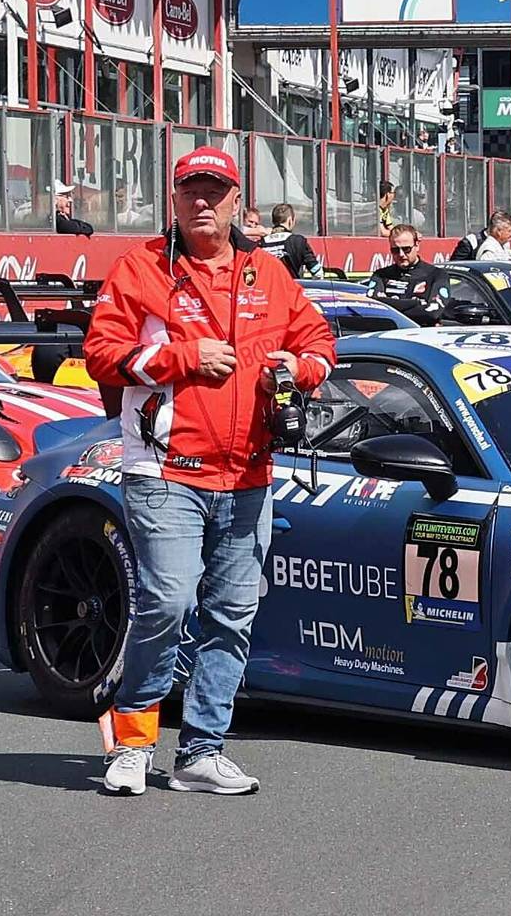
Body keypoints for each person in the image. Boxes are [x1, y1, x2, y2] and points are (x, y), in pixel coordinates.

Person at [84, 145, 336, 797]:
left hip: (250, 473)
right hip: (165, 468)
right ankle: (134, 742)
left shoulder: (268, 274)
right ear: (173, 200)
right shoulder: (140, 269)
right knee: (167, 602)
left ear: (234, 202)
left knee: (231, 614)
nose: (202, 201)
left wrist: (298, 370)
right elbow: (102, 355)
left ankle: (200, 749)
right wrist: (183, 357)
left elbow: (319, 343)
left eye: (214, 190)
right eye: (190, 190)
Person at [366, 224, 440, 321]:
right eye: (395, 250)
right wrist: (415, 303)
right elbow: (373, 307)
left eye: (406, 249)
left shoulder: (436, 274)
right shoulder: (380, 275)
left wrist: (389, 306)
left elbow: (432, 313)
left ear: (417, 245)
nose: (401, 254)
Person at [257, 203, 321, 278]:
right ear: (290, 220)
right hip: (291, 287)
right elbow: (317, 272)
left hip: (268, 288)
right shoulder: (298, 242)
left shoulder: (261, 244)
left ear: (273, 221)